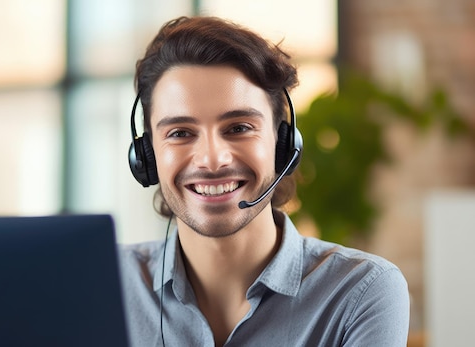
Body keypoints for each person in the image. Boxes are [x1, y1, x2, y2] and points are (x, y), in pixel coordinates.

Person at [120, 16, 410, 347]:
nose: (212, 159)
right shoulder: (98, 284)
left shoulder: (359, 293)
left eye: (239, 128)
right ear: (147, 154)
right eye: (180, 133)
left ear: (282, 142)